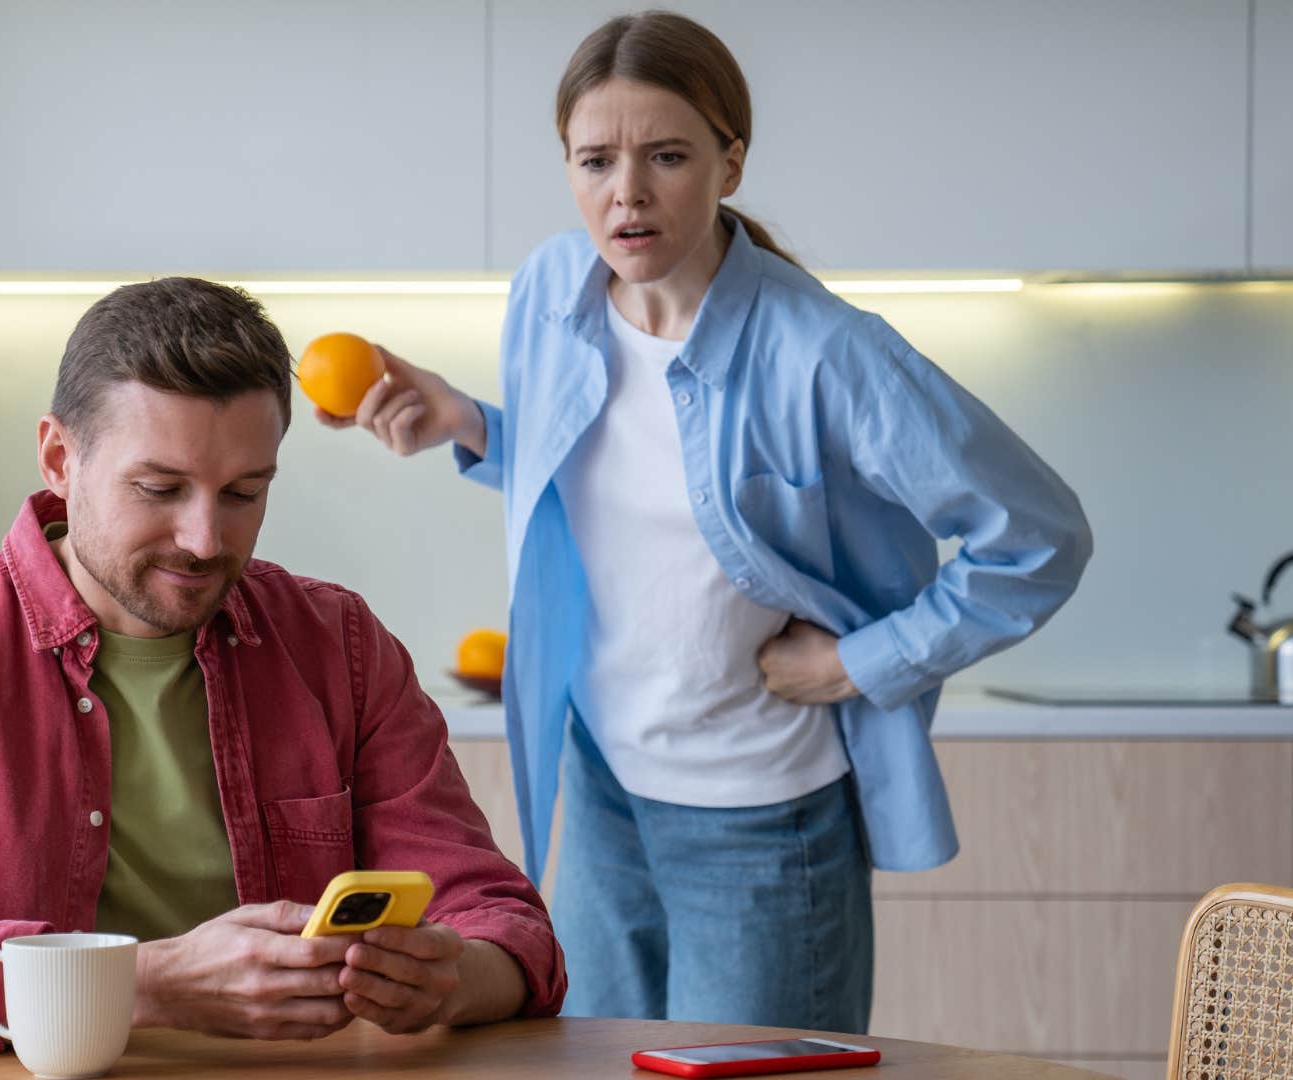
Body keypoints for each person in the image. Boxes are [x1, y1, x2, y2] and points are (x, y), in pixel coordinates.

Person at [321, 10, 1091, 1031]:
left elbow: (1039, 536)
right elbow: (619, 479)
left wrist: (862, 663)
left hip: (761, 821)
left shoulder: (825, 350)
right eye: (595, 160)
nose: (626, 194)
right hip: (599, 792)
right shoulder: (551, 291)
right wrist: (465, 424)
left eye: (667, 156)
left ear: (731, 162)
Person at [0, 276, 565, 1058]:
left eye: (243, 493)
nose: (204, 538)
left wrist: (452, 976)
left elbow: (509, 928)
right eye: (160, 489)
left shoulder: (341, 647)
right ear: (59, 457)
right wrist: (148, 981)